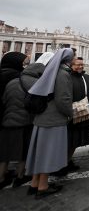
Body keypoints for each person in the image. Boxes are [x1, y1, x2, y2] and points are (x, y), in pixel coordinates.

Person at [25, 48, 74, 199]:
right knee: (48, 152)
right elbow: (63, 99)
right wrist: (71, 114)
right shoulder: (63, 74)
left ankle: (34, 183)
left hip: (42, 118)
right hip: (53, 119)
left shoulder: (50, 70)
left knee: (39, 151)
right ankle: (43, 186)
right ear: (68, 59)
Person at [54, 57, 89, 176]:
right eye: (77, 65)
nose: (80, 67)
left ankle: (66, 162)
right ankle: (60, 165)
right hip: (70, 116)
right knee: (67, 142)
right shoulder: (66, 78)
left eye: (82, 64)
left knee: (74, 142)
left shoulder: (88, 78)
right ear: (70, 66)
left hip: (84, 115)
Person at [0, 52, 31, 189]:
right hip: (21, 118)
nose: (25, 66)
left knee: (4, 149)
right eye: (24, 63)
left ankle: (2, 175)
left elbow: (5, 99)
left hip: (6, 117)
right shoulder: (17, 78)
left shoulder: (3, 74)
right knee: (22, 148)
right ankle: (20, 175)